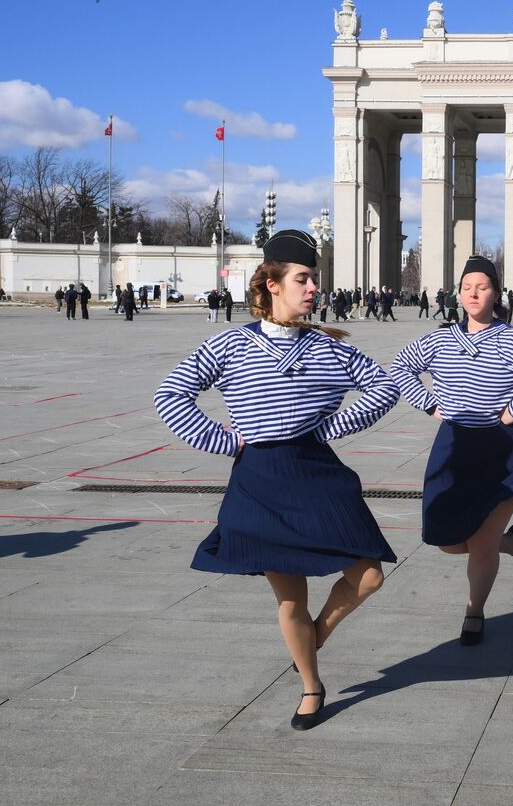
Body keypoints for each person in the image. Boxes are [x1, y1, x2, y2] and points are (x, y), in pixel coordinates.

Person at [154, 230, 398, 732]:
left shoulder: (329, 347)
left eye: (315, 280)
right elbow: (171, 395)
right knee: (290, 597)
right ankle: (311, 685)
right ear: (271, 284)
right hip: (260, 478)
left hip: (316, 474)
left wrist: (331, 427)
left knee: (369, 575)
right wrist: (227, 442)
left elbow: (385, 386)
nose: (313, 289)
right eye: (303, 279)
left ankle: (314, 636)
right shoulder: (231, 343)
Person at [387, 255, 513, 646]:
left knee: (481, 544)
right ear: (458, 293)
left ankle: (474, 611)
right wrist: (430, 404)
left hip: (504, 453)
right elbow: (400, 368)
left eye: (482, 287)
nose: (473, 293)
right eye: (467, 286)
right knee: (448, 539)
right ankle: (511, 543)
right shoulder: (439, 339)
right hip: (455, 449)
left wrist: (512, 411)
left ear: (496, 294)